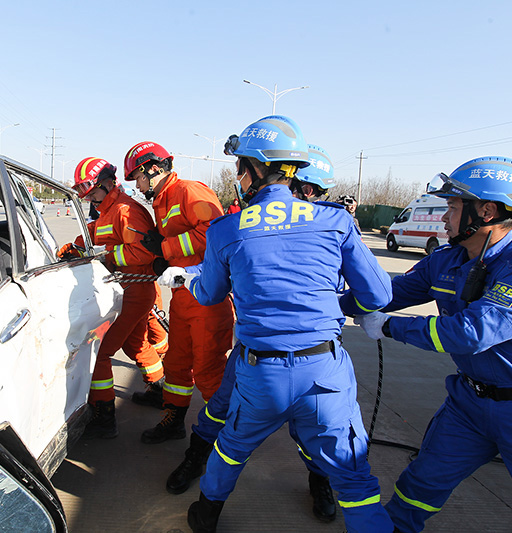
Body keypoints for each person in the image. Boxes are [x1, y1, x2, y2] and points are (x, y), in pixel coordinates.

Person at [160, 115, 394, 533]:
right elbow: (377, 296)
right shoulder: (334, 221)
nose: (237, 177)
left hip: (259, 371)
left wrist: (184, 277)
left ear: (251, 170)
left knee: (232, 448)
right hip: (324, 372)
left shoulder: (228, 229)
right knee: (353, 472)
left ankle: (206, 515)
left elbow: (211, 293)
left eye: (239, 168)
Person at [347, 156, 512, 533]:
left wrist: (390, 329)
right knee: (418, 487)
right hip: (469, 406)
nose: (443, 217)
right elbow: (383, 294)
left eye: (452, 207)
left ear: (487, 211)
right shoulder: (447, 260)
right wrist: (310, 303)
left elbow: (471, 333)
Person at [123, 141, 234, 445]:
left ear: (153, 169)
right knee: (176, 364)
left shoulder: (188, 191)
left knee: (209, 372)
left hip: (207, 298)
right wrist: (163, 257)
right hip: (183, 297)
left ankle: (221, 436)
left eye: (139, 177)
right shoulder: (162, 199)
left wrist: (166, 248)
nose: (137, 184)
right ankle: (174, 420)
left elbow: (215, 232)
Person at [57, 157, 165, 438]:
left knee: (101, 352)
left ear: (107, 183)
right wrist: (76, 245)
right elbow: (94, 233)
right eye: (87, 195)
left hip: (134, 290)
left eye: (92, 192)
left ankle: (104, 417)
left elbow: (145, 252)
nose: (90, 198)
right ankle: (158, 389)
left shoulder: (126, 211)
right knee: (136, 343)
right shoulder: (107, 211)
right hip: (131, 290)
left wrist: (105, 256)